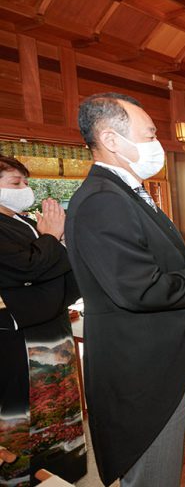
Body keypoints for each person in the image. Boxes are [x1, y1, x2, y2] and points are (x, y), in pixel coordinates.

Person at [64, 93, 185, 487]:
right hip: (140, 371)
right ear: (112, 140)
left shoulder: (129, 194)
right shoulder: (103, 201)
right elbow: (139, 289)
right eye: (150, 134)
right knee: (152, 475)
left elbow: (159, 264)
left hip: (159, 357)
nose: (158, 145)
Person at [0, 156, 86, 486]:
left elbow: (51, 267)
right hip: (20, 340)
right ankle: (20, 477)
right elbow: (28, 268)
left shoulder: (24, 223)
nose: (25, 189)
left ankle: (62, 471)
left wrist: (58, 241)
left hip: (54, 329)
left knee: (60, 405)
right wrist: (50, 237)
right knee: (26, 410)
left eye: (25, 182)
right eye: (15, 183)